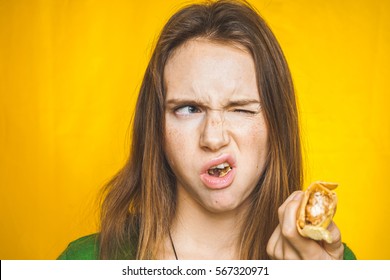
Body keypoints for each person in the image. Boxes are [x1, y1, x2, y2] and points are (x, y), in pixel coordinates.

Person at [58, 0, 356, 260]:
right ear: (156, 128)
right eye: (189, 108)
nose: (213, 139)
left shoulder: (327, 262)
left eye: (240, 108)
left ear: (276, 125)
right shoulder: (86, 263)